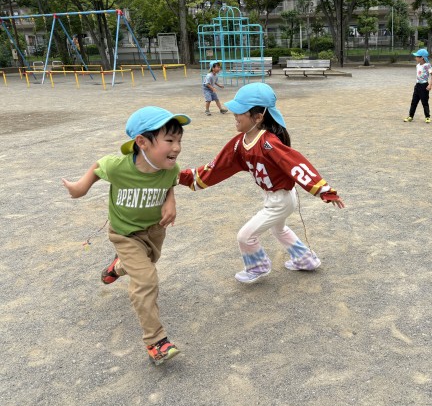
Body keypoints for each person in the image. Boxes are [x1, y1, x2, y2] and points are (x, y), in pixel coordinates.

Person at [61, 106, 191, 365]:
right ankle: (156, 341)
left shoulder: (170, 168)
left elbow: (170, 182)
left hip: (155, 230)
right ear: (142, 142)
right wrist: (80, 187)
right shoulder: (118, 166)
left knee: (148, 263)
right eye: (169, 140)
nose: (177, 147)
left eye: (179, 140)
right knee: (146, 279)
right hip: (125, 234)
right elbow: (100, 166)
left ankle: (119, 266)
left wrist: (171, 200)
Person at [179, 82, 345, 284]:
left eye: (240, 111)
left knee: (245, 236)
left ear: (258, 117)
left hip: (281, 200)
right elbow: (217, 167)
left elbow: (296, 164)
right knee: (279, 229)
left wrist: (324, 191)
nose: (235, 115)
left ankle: (258, 266)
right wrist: (184, 177)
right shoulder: (239, 143)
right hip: (275, 197)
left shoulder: (269, 143)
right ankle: (305, 259)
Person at [404, 49, 432, 124]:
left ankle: (427, 117)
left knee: (425, 102)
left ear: (422, 58)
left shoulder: (427, 65)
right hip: (417, 85)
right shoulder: (417, 65)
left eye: (417, 56)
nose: (415, 58)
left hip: (424, 86)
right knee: (414, 102)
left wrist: (430, 85)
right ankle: (410, 116)